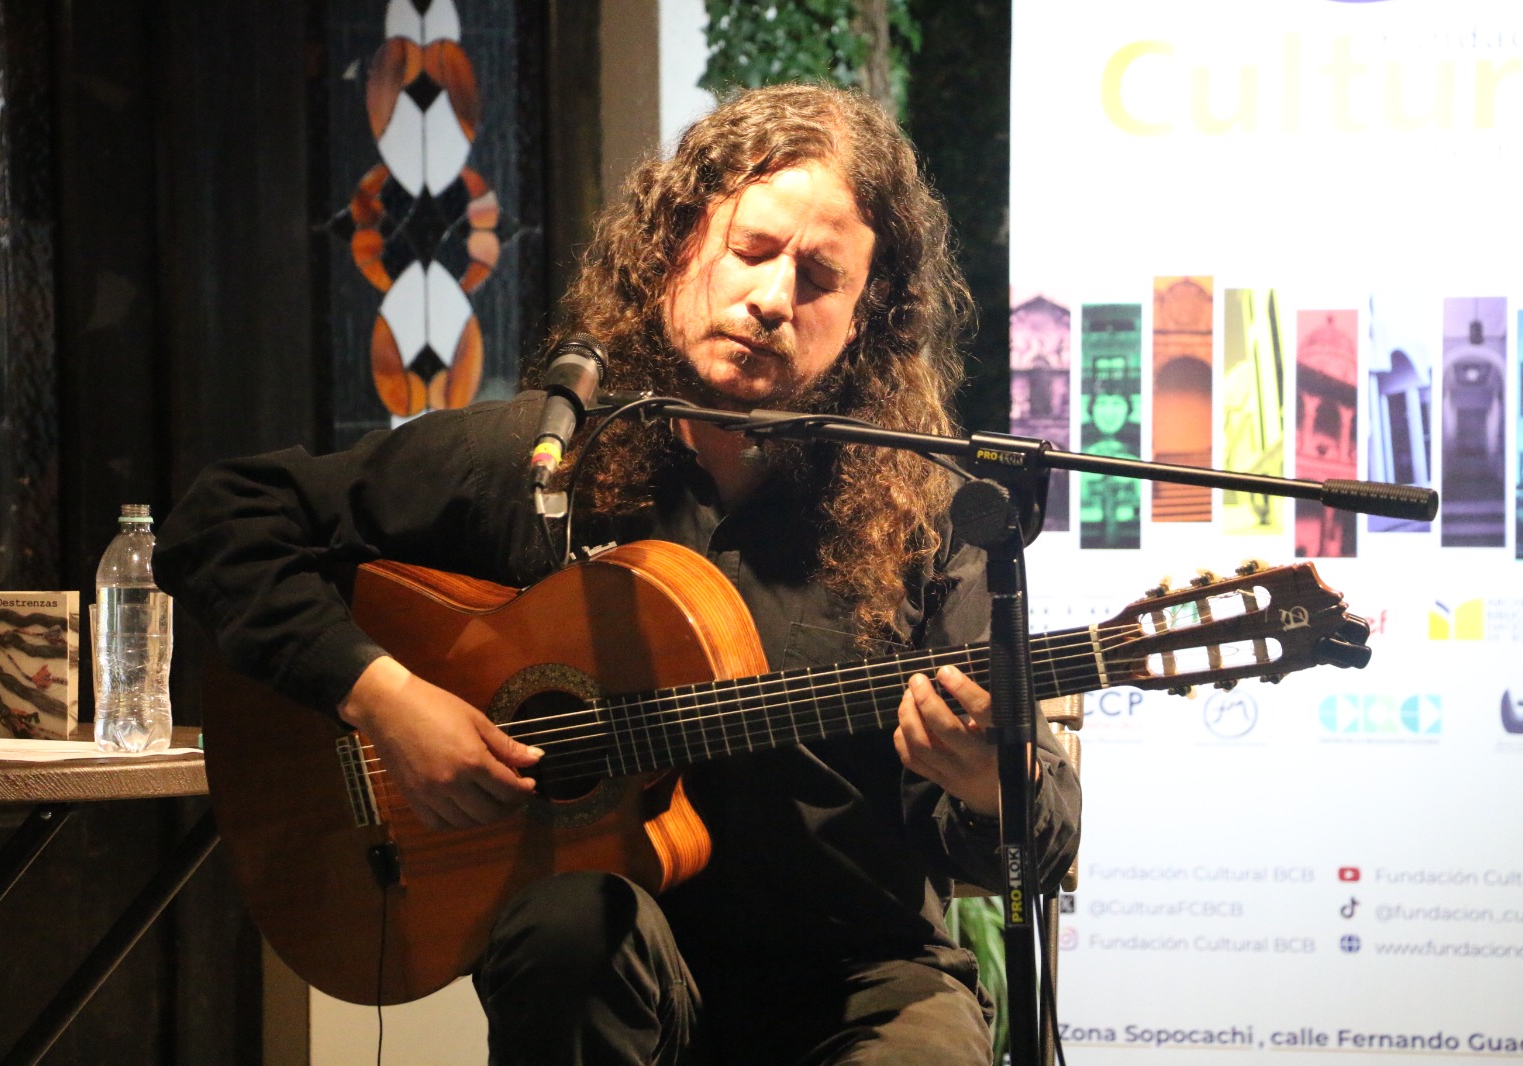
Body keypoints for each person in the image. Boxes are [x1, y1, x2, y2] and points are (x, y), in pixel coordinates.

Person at [157, 82, 1080, 1066]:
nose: (771, 299)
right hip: (612, 970)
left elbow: (1036, 837)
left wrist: (992, 783)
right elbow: (222, 521)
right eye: (752, 250)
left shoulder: (928, 512)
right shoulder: (547, 460)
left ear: (867, 316)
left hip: (859, 979)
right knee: (566, 929)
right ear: (678, 246)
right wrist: (382, 696)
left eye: (818, 278)